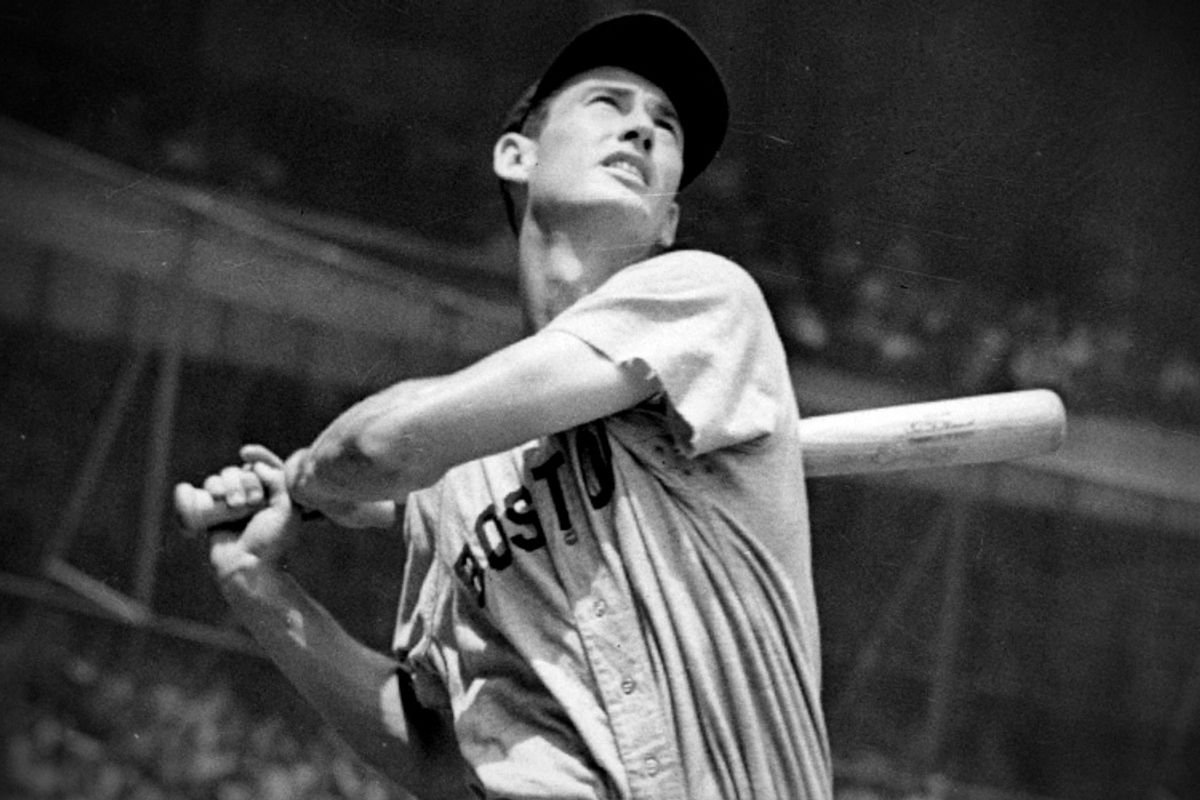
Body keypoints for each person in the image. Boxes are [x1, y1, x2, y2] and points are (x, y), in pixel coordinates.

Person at [191, 11, 832, 800]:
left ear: (668, 220)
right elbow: (437, 749)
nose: (642, 130)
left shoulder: (705, 302)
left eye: (665, 128)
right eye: (609, 103)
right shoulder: (455, 484)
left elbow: (384, 447)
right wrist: (258, 583)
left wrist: (310, 482)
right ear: (516, 155)